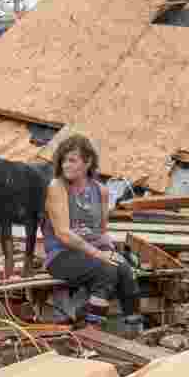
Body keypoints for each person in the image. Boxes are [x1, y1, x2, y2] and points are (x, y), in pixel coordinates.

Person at [42, 133, 141, 332]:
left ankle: (134, 328)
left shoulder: (101, 191)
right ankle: (92, 330)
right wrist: (99, 254)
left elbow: (101, 233)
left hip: (90, 253)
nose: (65, 166)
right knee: (107, 269)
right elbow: (63, 233)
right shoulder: (57, 187)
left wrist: (113, 252)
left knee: (125, 269)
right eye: (63, 161)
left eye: (72, 160)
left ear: (87, 162)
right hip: (61, 255)